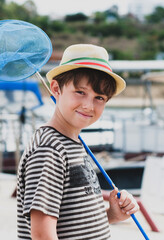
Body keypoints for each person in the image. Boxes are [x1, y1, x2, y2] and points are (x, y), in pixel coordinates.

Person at [16, 44, 139, 240]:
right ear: (56, 89)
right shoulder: (49, 149)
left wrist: (110, 215)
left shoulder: (72, 143)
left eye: (99, 97)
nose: (88, 105)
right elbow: (42, 234)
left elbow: (72, 222)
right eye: (80, 92)